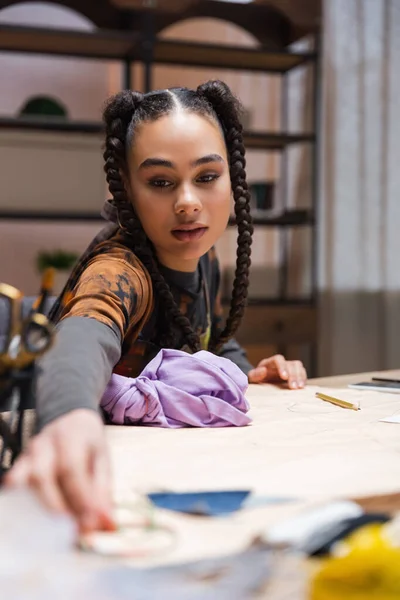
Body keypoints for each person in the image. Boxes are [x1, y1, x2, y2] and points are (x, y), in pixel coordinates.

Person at [5, 80, 307, 534]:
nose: (188, 202)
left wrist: (247, 372)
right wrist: (70, 418)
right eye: (161, 182)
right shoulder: (118, 270)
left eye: (206, 177)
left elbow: (203, 333)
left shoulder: (204, 256)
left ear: (232, 179)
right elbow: (82, 335)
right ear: (127, 187)